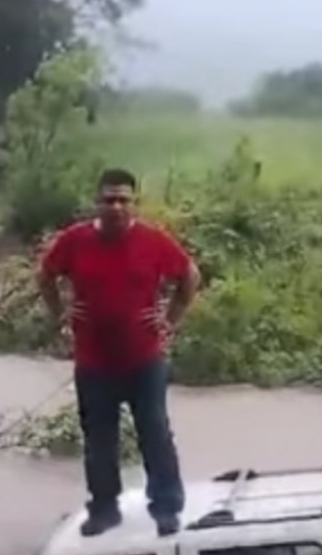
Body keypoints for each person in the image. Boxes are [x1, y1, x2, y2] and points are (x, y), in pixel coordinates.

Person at [36, 168, 201, 536]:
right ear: (96, 203)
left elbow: (189, 276)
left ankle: (166, 507)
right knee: (98, 440)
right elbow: (45, 274)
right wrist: (60, 312)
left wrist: (170, 319)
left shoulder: (154, 241)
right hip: (94, 363)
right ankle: (105, 509)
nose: (116, 207)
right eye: (109, 199)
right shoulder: (74, 241)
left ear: (134, 204)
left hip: (144, 360)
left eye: (123, 200)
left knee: (155, 433)